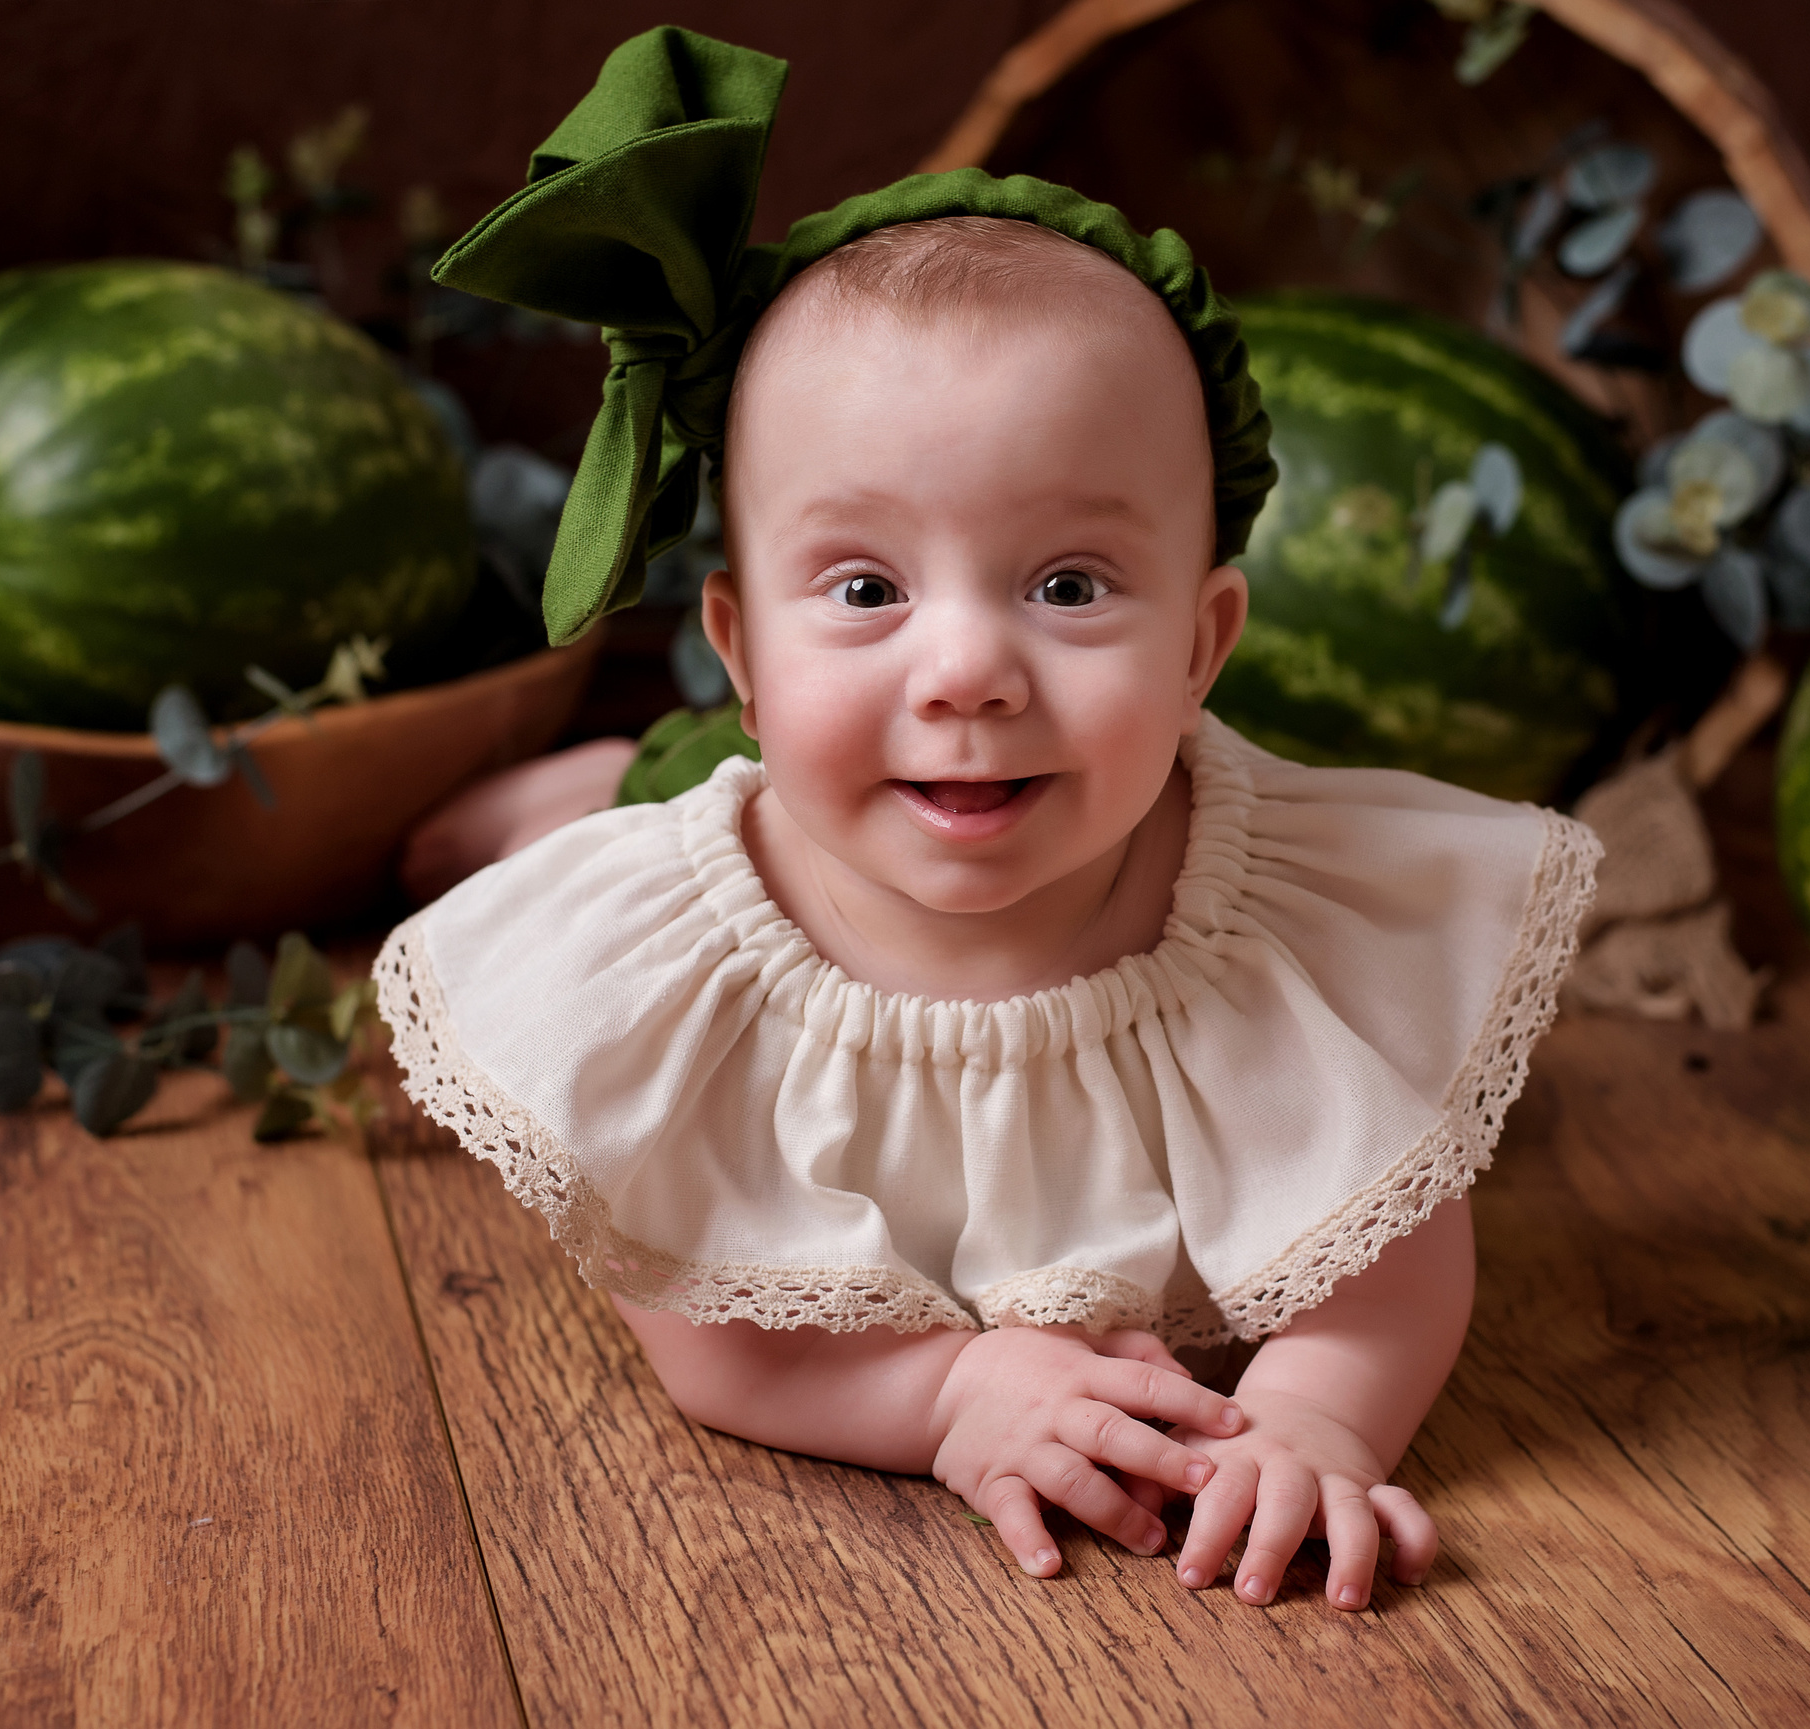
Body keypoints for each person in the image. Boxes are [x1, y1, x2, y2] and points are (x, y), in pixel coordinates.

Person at [377, 27, 1598, 1614]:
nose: (965, 671)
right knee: (651, 799)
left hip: (995, 805)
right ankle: (604, 772)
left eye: (1070, 586)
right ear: (742, 649)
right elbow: (709, 1340)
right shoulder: (683, 970)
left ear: (1200, 648)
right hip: (748, 813)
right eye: (868, 588)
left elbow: (1397, 1252)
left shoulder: (1282, 924)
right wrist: (943, 1393)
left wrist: (1310, 1416)